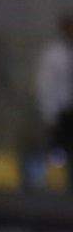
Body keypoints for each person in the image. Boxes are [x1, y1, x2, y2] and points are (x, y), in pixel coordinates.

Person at [40, 11, 72, 163]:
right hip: (62, 112)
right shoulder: (53, 55)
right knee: (60, 153)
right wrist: (50, 113)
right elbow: (46, 85)